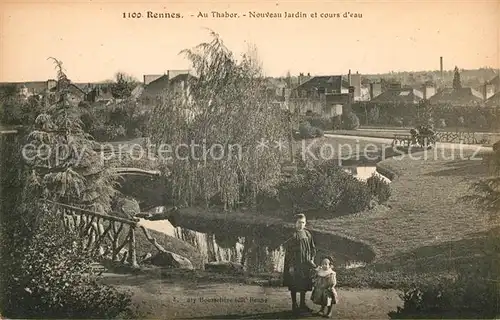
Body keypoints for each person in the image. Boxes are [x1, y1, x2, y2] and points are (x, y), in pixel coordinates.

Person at [283, 213, 317, 314]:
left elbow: (312, 248)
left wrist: (312, 259)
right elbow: (289, 253)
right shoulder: (292, 235)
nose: (301, 225)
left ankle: (302, 304)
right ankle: (295, 305)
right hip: (295, 264)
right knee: (294, 284)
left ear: (305, 223)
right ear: (295, 223)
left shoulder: (307, 234)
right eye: (299, 222)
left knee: (304, 283)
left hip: (305, 264)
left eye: (303, 222)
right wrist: (291, 266)